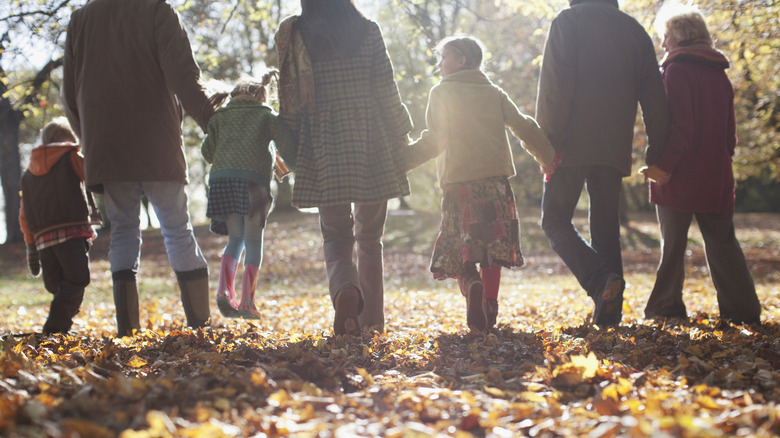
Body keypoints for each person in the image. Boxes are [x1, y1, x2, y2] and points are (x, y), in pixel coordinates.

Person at [62, 0, 215, 337]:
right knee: (177, 229)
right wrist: (212, 122)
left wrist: (90, 140)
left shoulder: (80, 20)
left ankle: (127, 331)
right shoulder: (156, 9)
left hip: (107, 147)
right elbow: (184, 77)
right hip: (156, 141)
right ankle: (201, 327)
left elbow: (70, 95)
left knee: (123, 233)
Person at [275, 0, 413, 335]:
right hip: (371, 138)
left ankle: (345, 292)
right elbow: (385, 87)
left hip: (322, 140)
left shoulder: (297, 34)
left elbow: (289, 95)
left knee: (336, 235)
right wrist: (401, 133)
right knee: (370, 237)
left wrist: (290, 143)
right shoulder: (368, 30)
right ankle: (373, 321)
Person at [405, 36, 557, 333]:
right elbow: (524, 125)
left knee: (458, 243)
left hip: (459, 185)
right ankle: (488, 305)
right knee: (492, 247)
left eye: (443, 57)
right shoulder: (493, 92)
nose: (439, 64)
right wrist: (547, 157)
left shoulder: (441, 92)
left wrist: (402, 161)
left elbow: (435, 141)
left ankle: (470, 283)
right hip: (496, 184)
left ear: (461, 60)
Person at [535, 0, 670, 326]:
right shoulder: (634, 30)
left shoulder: (568, 21)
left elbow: (555, 86)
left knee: (554, 220)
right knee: (606, 228)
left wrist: (546, 145)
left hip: (569, 146)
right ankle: (610, 314)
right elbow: (656, 98)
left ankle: (600, 282)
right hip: (614, 147)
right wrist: (657, 153)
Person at [640, 6, 761, 324]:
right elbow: (729, 135)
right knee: (723, 243)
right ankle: (743, 311)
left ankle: (666, 307)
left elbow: (681, 128)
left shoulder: (676, 71)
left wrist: (663, 168)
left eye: (665, 36)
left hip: (678, 174)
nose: (663, 44)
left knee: (673, 246)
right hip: (716, 173)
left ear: (679, 34)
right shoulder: (719, 74)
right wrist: (721, 163)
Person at [201, 72, 297, 320]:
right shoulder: (265, 115)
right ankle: (247, 302)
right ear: (261, 95)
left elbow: (208, 153)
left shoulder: (220, 116)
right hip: (253, 182)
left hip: (223, 183)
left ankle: (223, 292)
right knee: (254, 242)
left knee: (236, 239)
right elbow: (287, 144)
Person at [19, 118, 102, 335]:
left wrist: (31, 247)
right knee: (77, 280)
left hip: (43, 239)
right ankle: (55, 330)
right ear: (69, 138)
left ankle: (60, 329)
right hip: (71, 233)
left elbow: (24, 214)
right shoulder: (71, 157)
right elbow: (92, 174)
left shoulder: (28, 175)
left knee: (58, 286)